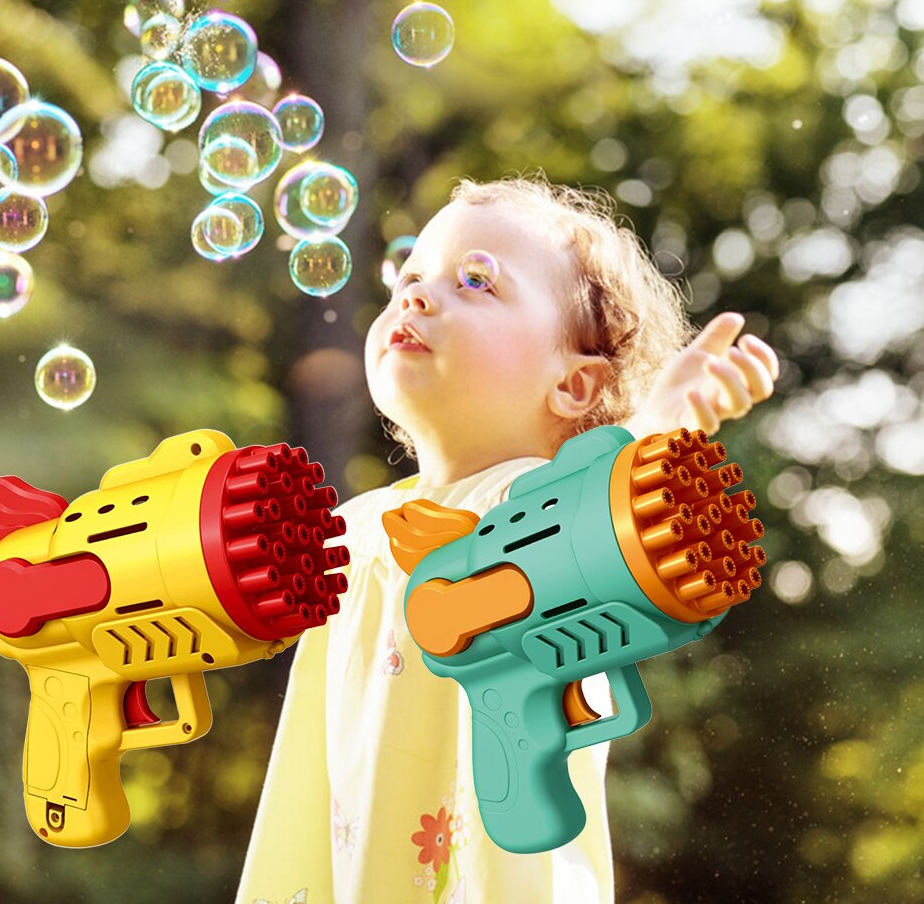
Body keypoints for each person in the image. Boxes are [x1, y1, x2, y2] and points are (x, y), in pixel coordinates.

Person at [236, 175, 779, 904]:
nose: (418, 297)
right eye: (412, 277)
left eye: (476, 282)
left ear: (576, 387)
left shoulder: (530, 518)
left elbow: (590, 518)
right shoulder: (358, 527)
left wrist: (658, 426)